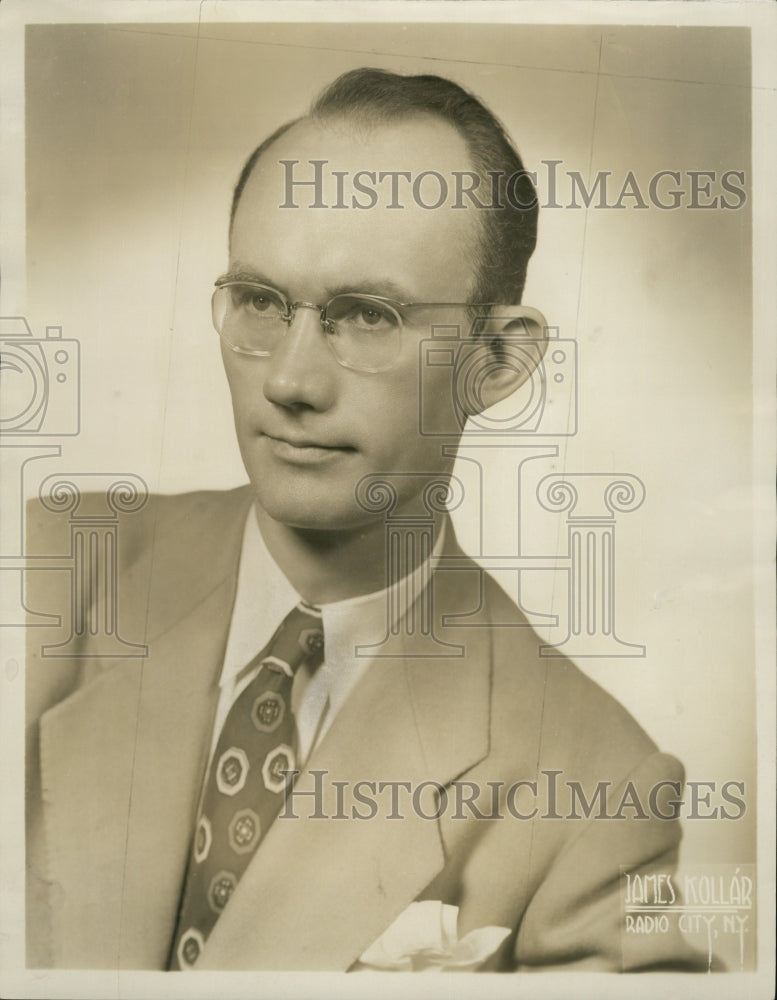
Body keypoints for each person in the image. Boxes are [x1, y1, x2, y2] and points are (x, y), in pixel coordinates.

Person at [25, 68, 706, 972]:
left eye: (366, 316)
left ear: (496, 363)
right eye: (261, 302)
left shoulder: (596, 792)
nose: (289, 382)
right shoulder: (42, 569)